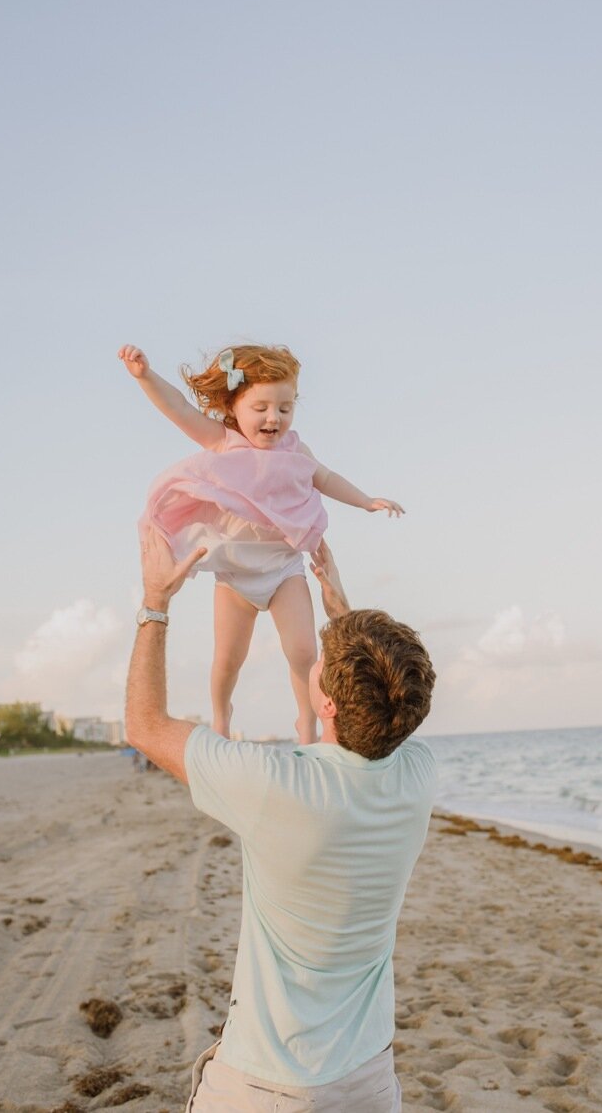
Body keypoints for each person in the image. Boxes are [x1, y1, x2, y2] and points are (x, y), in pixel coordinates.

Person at [126, 531, 437, 1112]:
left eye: (320, 668)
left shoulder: (275, 785)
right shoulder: (416, 776)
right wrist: (346, 617)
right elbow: (382, 709)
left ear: (327, 704)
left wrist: (155, 602)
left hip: (268, 1086)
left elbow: (144, 725)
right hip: (368, 1083)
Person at [119, 343, 404, 745]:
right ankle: (221, 715)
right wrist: (145, 376)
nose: (274, 418)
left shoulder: (295, 451)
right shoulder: (223, 441)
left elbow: (325, 477)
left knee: (304, 652)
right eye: (262, 408)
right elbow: (179, 409)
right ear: (234, 406)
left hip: (284, 569)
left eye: (285, 409)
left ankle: (306, 723)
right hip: (236, 576)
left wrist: (366, 501)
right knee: (228, 660)